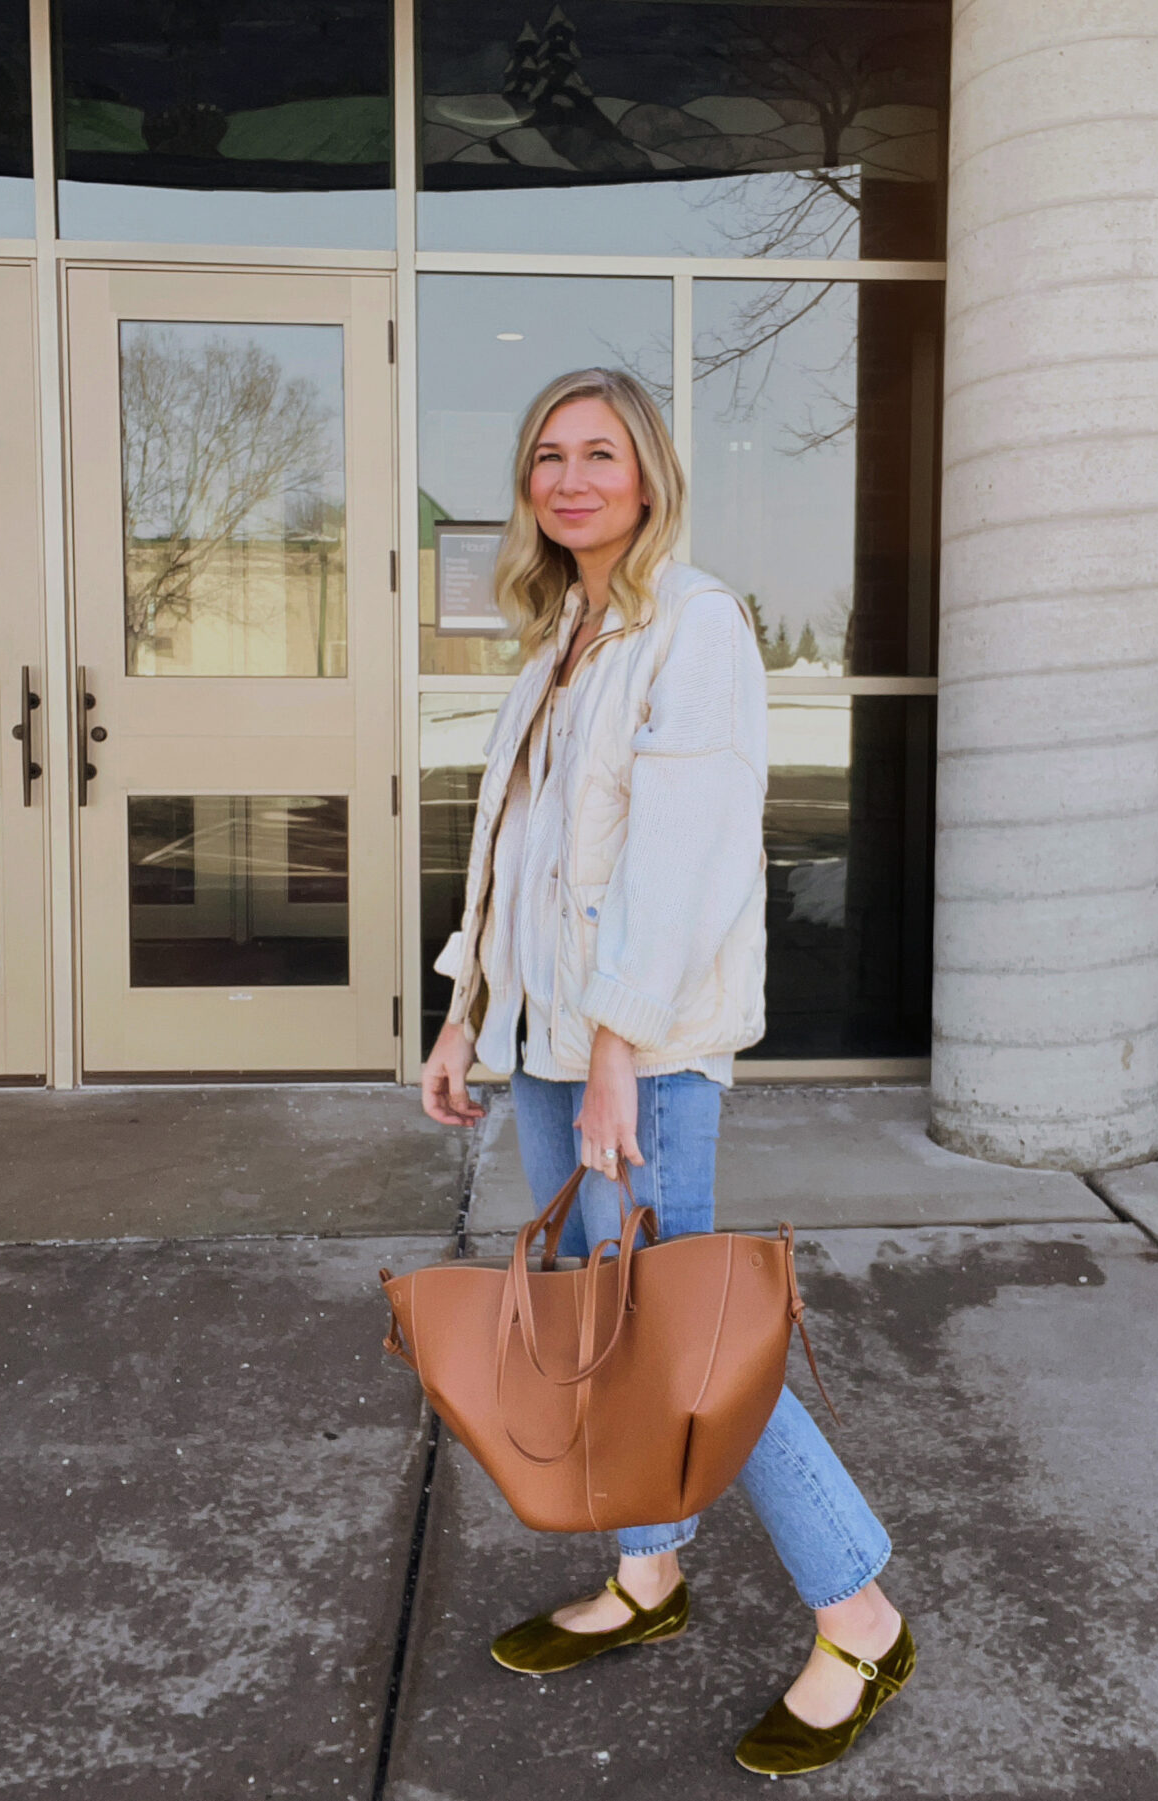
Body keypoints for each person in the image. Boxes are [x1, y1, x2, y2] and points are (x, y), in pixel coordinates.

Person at [421, 366, 914, 1776]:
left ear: (648, 475)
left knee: (693, 1337)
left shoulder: (693, 625)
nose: (572, 477)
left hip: (636, 1059)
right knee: (604, 1322)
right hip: (541, 1049)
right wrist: (466, 1008)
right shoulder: (562, 635)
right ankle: (650, 1578)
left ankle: (860, 1613)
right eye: (548, 457)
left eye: (601, 453)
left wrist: (620, 1054)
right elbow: (514, 856)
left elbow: (685, 859)